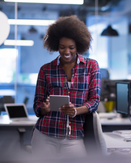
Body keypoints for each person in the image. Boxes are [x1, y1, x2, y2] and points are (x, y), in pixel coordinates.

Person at [31, 15, 101, 160]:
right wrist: (45, 108)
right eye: (62, 47)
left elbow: (94, 101)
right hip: (45, 134)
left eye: (71, 47)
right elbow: (37, 105)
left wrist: (76, 110)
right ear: (56, 45)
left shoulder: (91, 66)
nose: (66, 52)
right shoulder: (46, 69)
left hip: (74, 136)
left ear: (79, 46)